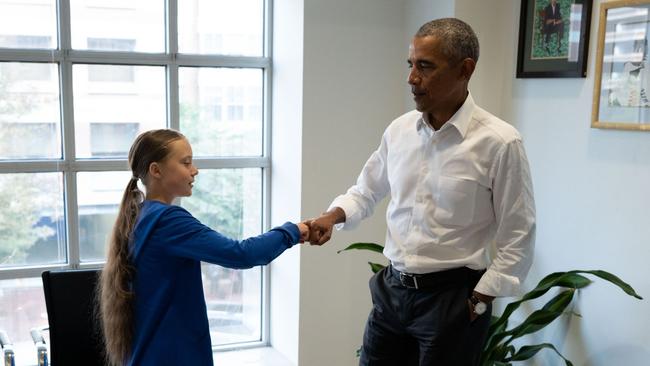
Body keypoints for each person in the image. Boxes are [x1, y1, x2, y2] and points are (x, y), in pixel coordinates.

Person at [307, 18, 536, 366]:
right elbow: (366, 191)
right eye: (411, 65)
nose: (412, 78)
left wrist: (480, 297)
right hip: (392, 293)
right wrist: (333, 216)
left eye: (425, 67)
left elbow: (518, 232)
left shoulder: (500, 143)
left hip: (454, 302)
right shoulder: (399, 131)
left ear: (465, 70)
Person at [98, 129, 308, 366]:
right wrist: (293, 230)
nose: (194, 170)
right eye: (185, 162)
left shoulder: (141, 215)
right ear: (156, 170)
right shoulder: (168, 221)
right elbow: (242, 254)